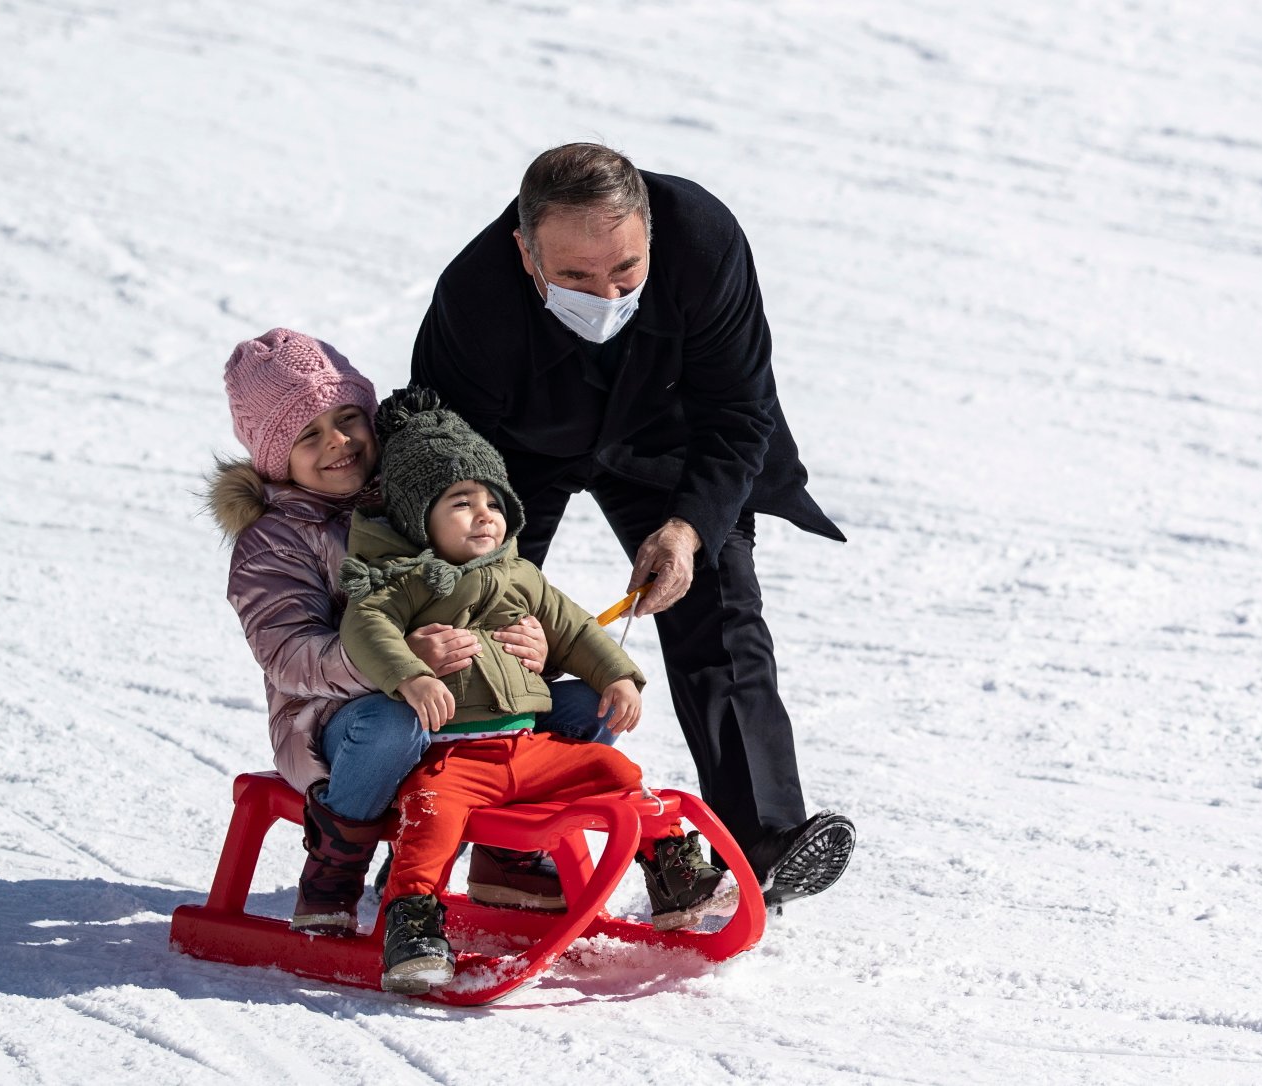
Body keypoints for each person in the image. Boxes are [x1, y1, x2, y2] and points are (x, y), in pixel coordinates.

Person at [409, 143, 855, 907]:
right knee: (482, 620)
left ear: (651, 234)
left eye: (625, 271)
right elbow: (441, 455)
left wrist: (686, 529)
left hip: (667, 433)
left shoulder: (704, 241)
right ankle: (443, 839)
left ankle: (762, 840)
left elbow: (741, 411)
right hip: (515, 452)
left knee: (715, 600)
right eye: (575, 278)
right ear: (525, 249)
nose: (604, 293)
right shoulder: (473, 299)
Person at [336, 389, 737, 994]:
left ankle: (675, 876)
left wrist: (618, 676)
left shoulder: (520, 575)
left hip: (527, 751)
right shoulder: (403, 580)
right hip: (453, 758)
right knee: (429, 817)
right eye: (460, 502)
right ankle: (414, 925)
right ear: (419, 515)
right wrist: (411, 673)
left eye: (492, 501)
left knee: (615, 768)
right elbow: (364, 626)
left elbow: (574, 628)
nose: (484, 515)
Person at [207, 328, 601, 934]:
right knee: (396, 722)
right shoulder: (273, 540)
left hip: (461, 707)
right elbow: (287, 653)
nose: (337, 442)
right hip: (340, 725)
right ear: (273, 454)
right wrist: (394, 665)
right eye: (307, 435)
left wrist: (531, 649)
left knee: (584, 706)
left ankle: (506, 852)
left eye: (347, 418)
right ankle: (336, 866)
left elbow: (494, 589)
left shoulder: (413, 500)